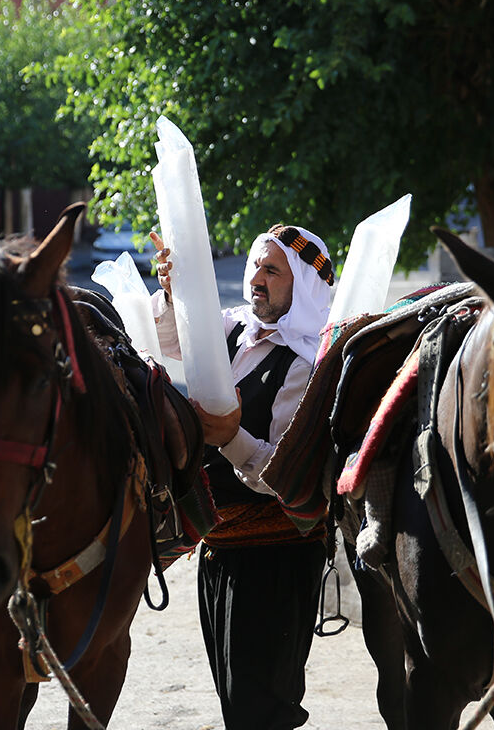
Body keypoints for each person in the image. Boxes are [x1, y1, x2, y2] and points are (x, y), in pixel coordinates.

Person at [149, 225, 333, 730]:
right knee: (238, 707)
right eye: (255, 266)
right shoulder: (232, 327)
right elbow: (167, 337)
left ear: (302, 285)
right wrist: (174, 293)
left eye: (272, 270)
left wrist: (230, 437)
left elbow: (285, 474)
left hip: (275, 561)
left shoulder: (309, 363)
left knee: (262, 711)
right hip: (219, 554)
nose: (256, 278)